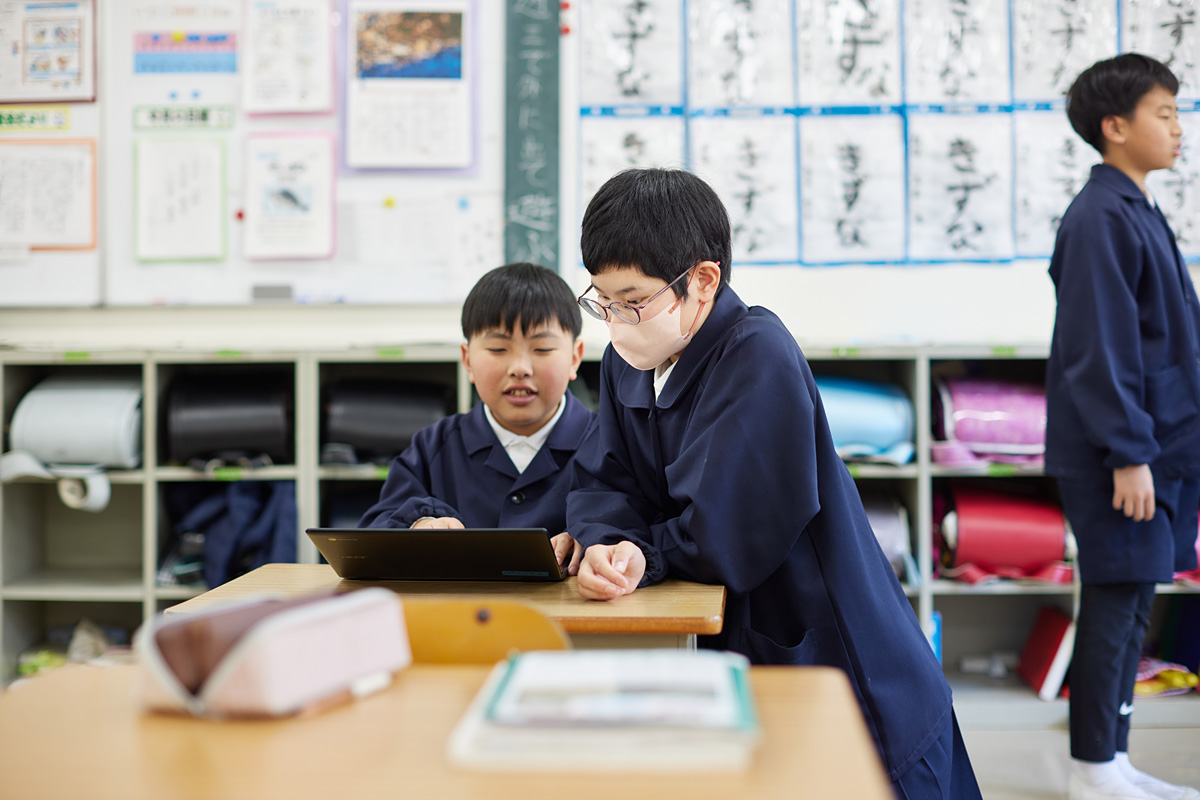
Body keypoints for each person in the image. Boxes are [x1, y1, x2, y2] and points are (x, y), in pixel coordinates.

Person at [566, 167, 981, 798]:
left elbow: (724, 535)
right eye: (603, 301)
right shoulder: (629, 361)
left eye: (633, 301)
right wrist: (604, 542)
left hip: (836, 652)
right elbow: (604, 480)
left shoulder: (756, 353)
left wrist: (640, 552)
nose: (616, 321)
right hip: (739, 644)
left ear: (703, 281)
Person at [1046, 53, 1200, 800]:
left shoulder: (1134, 206)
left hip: (1156, 445)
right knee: (1114, 602)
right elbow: (1097, 349)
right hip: (1123, 455)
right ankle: (1092, 769)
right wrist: (1129, 454)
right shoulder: (1099, 217)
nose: (1178, 129)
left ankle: (1114, 759)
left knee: (1135, 601)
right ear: (1115, 126)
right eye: (1163, 114)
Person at [359, 262, 597, 574]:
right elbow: (373, 532)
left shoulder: (608, 442)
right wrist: (419, 524)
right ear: (467, 359)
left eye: (542, 349)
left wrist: (596, 535)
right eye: (498, 349)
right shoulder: (433, 446)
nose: (520, 368)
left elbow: (639, 526)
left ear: (575, 357)